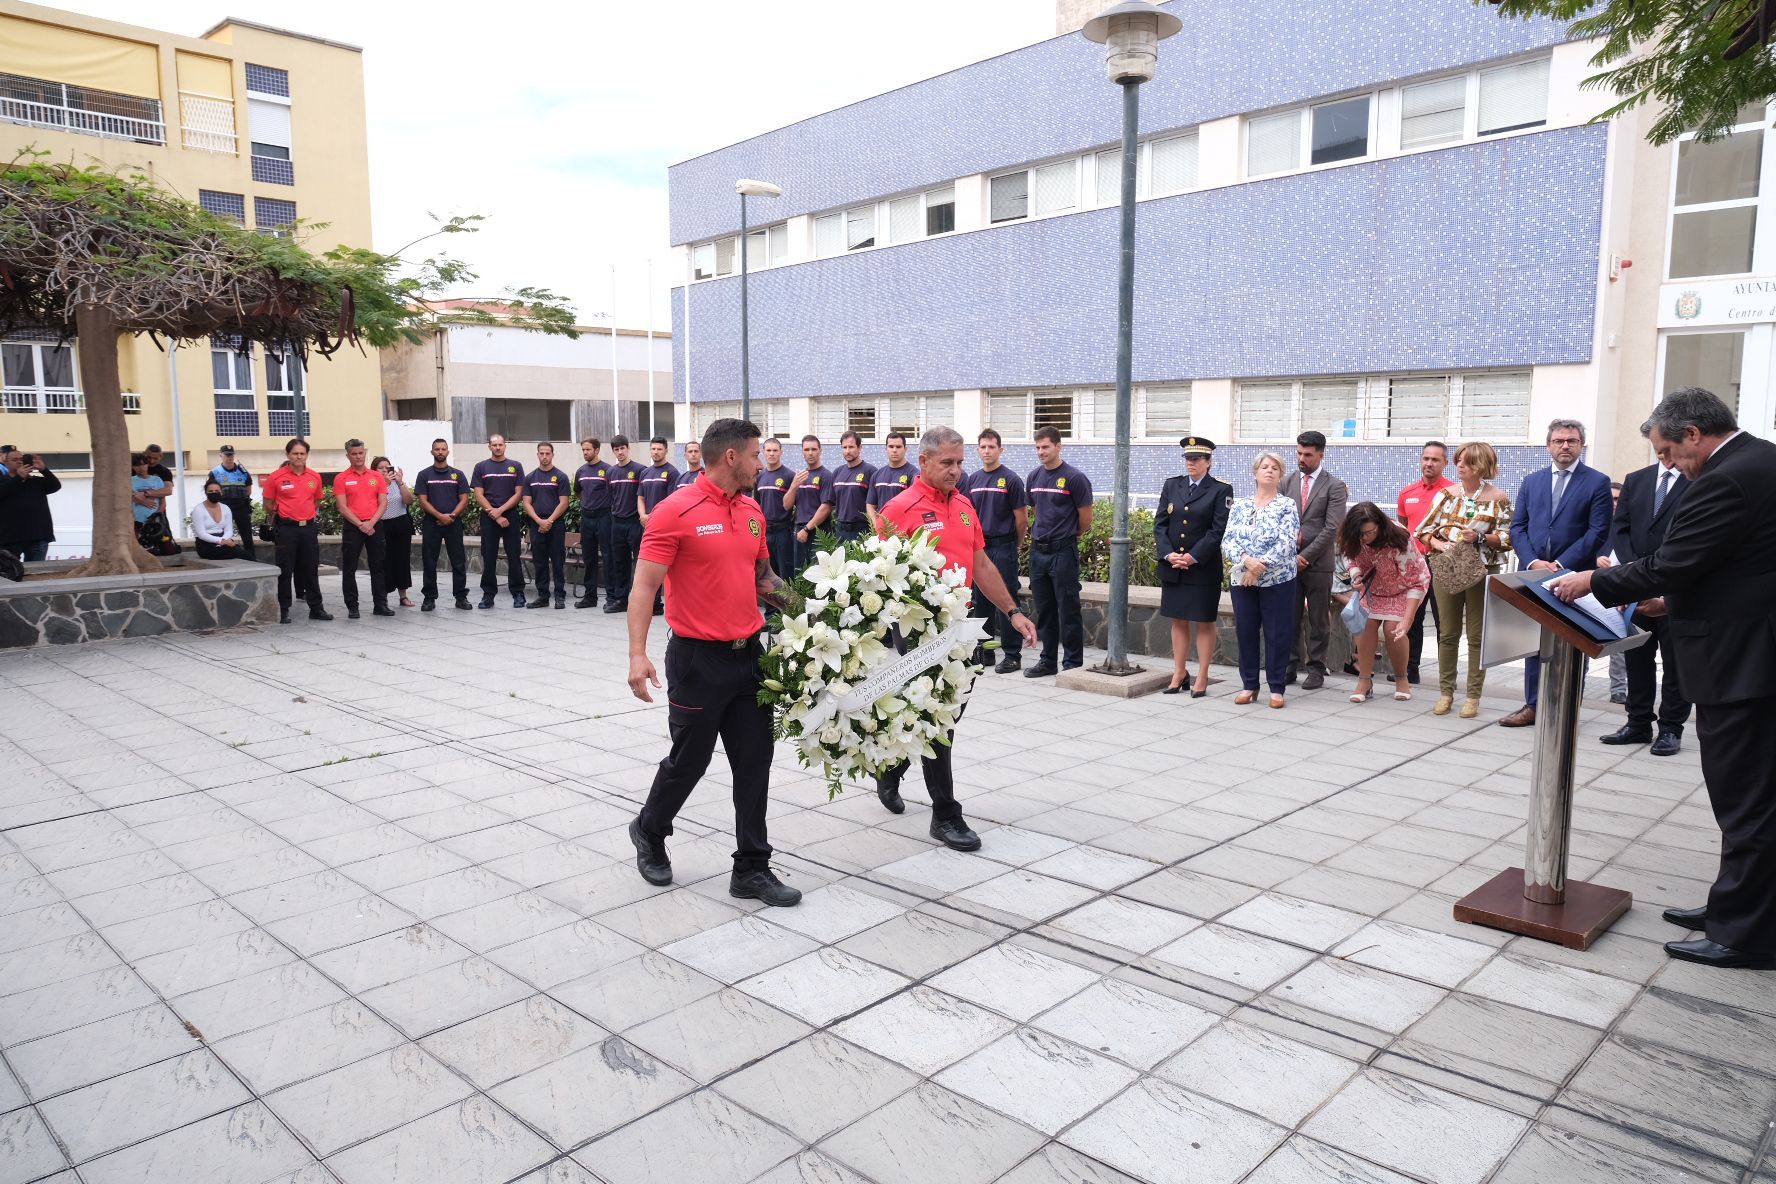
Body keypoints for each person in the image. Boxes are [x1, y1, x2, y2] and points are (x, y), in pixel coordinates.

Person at [1550, 388, 1776, 969]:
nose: (1669, 464)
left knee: (1746, 799)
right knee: (1751, 796)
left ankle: (1747, 934)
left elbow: (1675, 561)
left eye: (1669, 452)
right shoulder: (1762, 459)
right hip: (1747, 646)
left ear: (1694, 433)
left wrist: (1591, 582)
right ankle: (1738, 906)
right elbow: (1743, 566)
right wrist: (1672, 601)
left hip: (1741, 661)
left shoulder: (1727, 478)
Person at [625, 417, 802, 908]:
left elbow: (764, 579)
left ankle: (752, 868)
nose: (761, 463)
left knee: (755, 762)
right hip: (696, 661)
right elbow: (644, 587)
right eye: (755, 454)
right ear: (731, 457)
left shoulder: (752, 509)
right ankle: (649, 829)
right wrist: (637, 654)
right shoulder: (674, 511)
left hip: (749, 658)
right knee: (690, 761)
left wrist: (819, 615)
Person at [876, 427, 1039, 849]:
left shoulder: (965, 505)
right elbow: (879, 576)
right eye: (947, 463)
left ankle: (892, 767)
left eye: (960, 462)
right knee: (938, 717)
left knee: (949, 712)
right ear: (924, 461)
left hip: (962, 626)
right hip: (920, 629)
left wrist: (1013, 612)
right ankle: (945, 815)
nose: (956, 470)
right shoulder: (899, 509)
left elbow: (980, 564)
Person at [1502, 418, 1613, 728]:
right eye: (1559, 440)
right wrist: (1532, 561)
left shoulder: (1597, 482)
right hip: (1534, 573)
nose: (1565, 446)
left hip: (1574, 575)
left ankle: (1567, 707)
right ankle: (1533, 705)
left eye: (1572, 441)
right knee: (1535, 639)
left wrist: (1562, 564)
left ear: (1581, 445)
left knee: (1574, 639)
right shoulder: (1531, 481)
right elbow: (1518, 527)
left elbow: (1598, 530)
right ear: (1548, 445)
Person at [1600, 455, 1690, 755]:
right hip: (1637, 585)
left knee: (1675, 662)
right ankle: (1638, 722)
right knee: (1637, 657)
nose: (1664, 454)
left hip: (1675, 586)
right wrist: (1634, 570)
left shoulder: (1695, 477)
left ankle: (1671, 728)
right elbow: (1620, 528)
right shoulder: (1637, 479)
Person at [1416, 441, 1512, 718]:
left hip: (1482, 570)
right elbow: (1423, 530)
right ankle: (1446, 692)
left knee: (1477, 635)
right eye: (1458, 460)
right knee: (1447, 633)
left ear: (1481, 465)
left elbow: (1508, 538)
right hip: (1447, 566)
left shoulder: (1498, 498)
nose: (1460, 465)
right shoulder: (1446, 494)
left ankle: (1473, 695)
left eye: (1467, 461)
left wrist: (1480, 537)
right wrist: (1438, 544)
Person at [1154, 437, 1232, 696]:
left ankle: (1203, 675)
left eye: (1197, 459)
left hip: (1202, 567)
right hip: (1173, 565)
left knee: (1204, 621)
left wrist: (1193, 556)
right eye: (1188, 458)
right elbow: (1160, 523)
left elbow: (1217, 530)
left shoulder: (1221, 489)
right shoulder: (1172, 485)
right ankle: (1179, 672)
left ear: (1208, 462)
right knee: (1178, 619)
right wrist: (1168, 555)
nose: (1191, 463)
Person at [1223, 452, 1299, 709]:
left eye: (1275, 468)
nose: (1269, 470)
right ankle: (1249, 685)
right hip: (1243, 579)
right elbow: (1228, 540)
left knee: (1277, 633)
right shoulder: (1240, 506)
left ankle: (1276, 687)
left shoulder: (1286, 505)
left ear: (1280, 475)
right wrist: (1247, 561)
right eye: (1264, 466)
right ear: (1255, 473)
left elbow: (1287, 542)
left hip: (1277, 579)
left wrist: (1257, 568)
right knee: (1246, 631)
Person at [1339, 502, 1431, 704]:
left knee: (1393, 629)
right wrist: (1356, 575)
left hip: (1405, 587)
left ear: (1380, 525)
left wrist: (1407, 619)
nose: (1364, 538)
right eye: (1360, 534)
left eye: (1369, 532)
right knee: (1365, 625)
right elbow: (1348, 556)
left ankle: (1402, 679)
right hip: (1373, 587)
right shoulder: (1352, 535)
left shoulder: (1399, 537)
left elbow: (1416, 580)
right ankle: (1364, 680)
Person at [1280, 431, 1348, 690]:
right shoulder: (1286, 483)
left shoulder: (1334, 486)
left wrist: (1305, 557)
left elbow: (1332, 528)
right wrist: (1290, 556)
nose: (1301, 459)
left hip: (1318, 564)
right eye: (1299, 453)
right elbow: (1279, 521)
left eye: (1307, 454)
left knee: (1318, 619)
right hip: (1288, 562)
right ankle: (1289, 666)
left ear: (1321, 454)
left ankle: (1317, 669)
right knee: (1289, 616)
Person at [1024, 426, 1093, 677]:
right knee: (1045, 610)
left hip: (1063, 552)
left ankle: (1072, 663)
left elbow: (1085, 519)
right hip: (1038, 552)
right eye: (1037, 447)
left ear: (1058, 446)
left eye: (1045, 447)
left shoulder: (1075, 478)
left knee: (1068, 609)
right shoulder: (1034, 477)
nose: (1041, 452)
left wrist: (1071, 535)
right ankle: (1048, 661)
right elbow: (1036, 510)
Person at [961, 428, 1029, 673]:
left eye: (991, 447)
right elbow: (967, 514)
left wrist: (1015, 545)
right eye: (983, 447)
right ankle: (985, 652)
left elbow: (1022, 519)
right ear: (978, 450)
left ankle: (1012, 655)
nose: (987, 451)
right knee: (981, 602)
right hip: (980, 548)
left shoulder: (1011, 479)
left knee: (1006, 599)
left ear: (1000, 449)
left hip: (1003, 547)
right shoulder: (973, 480)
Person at [1396, 441, 1453, 684]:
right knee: (1412, 618)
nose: (1429, 463)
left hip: (1442, 562)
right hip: (1414, 565)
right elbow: (1403, 527)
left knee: (1444, 621)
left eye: (1435, 459)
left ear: (1445, 463)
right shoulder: (1407, 493)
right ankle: (1410, 670)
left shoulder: (1453, 492)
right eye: (1426, 458)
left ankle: (1446, 675)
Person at [264, 437, 332, 625]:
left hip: (308, 528)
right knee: (285, 570)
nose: (299, 457)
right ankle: (284, 609)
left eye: (302, 453)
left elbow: (316, 500)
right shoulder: (275, 477)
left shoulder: (314, 477)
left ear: (307, 455)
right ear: (288, 455)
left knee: (311, 569)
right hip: (286, 529)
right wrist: (285, 513)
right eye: (295, 453)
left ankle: (316, 608)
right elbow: (268, 504)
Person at [333, 438, 391, 619]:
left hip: (374, 526)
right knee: (349, 568)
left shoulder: (377, 477)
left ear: (365, 453)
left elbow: (383, 503)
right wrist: (360, 524)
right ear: (348, 456)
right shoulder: (341, 478)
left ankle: (380, 604)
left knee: (378, 566)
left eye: (361, 453)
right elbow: (342, 507)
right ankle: (352, 606)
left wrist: (370, 523)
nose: (358, 457)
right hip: (353, 527)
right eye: (354, 454)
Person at [416, 438, 473, 612]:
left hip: (453, 523)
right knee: (429, 561)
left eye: (443, 449)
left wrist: (452, 516)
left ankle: (461, 597)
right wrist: (440, 516)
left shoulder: (458, 474)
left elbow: (464, 499)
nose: (440, 452)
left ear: (448, 452)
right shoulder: (424, 475)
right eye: (437, 449)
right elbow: (423, 501)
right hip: (431, 523)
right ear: (432, 452)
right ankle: (429, 598)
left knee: (458, 561)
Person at [472, 434, 528, 609]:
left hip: (510, 516)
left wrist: (501, 511)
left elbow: (519, 493)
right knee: (489, 557)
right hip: (489, 516)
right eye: (494, 445)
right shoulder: (481, 467)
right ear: (489, 446)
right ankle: (488, 595)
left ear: (505, 445)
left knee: (514, 556)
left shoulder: (515, 466)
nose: (497, 447)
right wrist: (495, 514)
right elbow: (478, 495)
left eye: (500, 444)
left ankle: (518, 593)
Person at [523, 442, 572, 610]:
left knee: (558, 562)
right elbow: (527, 503)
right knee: (540, 562)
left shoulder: (560, 476)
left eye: (547, 453)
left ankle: (559, 596)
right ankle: (543, 597)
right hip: (537, 525)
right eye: (541, 453)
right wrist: (539, 521)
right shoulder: (530, 478)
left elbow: (564, 503)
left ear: (552, 455)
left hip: (555, 525)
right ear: (537, 454)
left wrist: (549, 521)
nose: (544, 456)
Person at [637, 437, 680, 617]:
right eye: (653, 449)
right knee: (648, 564)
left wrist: (653, 518)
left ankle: (662, 604)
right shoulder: (645, 473)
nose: (656, 452)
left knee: (662, 565)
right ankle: (652, 603)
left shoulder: (672, 473)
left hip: (663, 526)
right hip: (646, 524)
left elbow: (671, 501)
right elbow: (640, 497)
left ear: (666, 451)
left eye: (659, 449)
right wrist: (642, 515)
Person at [604, 435, 645, 613]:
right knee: (619, 562)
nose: (620, 452)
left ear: (628, 448)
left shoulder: (640, 470)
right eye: (616, 449)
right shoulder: (610, 472)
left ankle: (641, 599)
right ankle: (621, 600)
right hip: (617, 523)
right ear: (613, 451)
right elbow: (611, 496)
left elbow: (643, 496)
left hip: (635, 522)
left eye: (622, 448)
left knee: (640, 562)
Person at [784, 434, 833, 572]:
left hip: (818, 532)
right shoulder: (800, 476)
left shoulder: (826, 475)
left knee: (819, 573)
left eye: (814, 449)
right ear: (802, 452)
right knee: (800, 574)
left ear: (820, 451)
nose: (810, 453)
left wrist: (806, 529)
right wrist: (793, 486)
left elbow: (826, 508)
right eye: (806, 449)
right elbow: (787, 505)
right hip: (799, 531)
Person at [0, 450, 60, 561]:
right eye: (15, 460)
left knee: (36, 570)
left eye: (22, 459)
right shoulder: (3, 481)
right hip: (10, 538)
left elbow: (55, 486)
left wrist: (44, 470)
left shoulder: (36, 481)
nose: (19, 462)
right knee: (9, 569)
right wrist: (18, 478)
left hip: (38, 536)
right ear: (6, 463)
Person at [374, 456, 417, 608]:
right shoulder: (373, 484)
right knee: (384, 561)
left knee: (402, 560)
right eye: (380, 468)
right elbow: (376, 503)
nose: (384, 470)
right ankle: (383, 597)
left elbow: (409, 500)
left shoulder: (397, 483)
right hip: (382, 524)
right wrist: (385, 484)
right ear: (374, 470)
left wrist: (400, 482)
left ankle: (403, 596)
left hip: (401, 523)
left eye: (387, 467)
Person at [573, 437, 610, 609]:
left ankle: (612, 597)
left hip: (604, 517)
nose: (585, 453)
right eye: (583, 450)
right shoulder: (581, 471)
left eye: (588, 449)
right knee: (589, 558)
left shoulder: (607, 470)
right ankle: (590, 597)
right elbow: (578, 492)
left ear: (597, 450)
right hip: (587, 518)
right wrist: (588, 503)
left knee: (608, 557)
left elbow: (613, 492)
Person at [209, 445, 256, 562]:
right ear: (221, 455)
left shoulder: (243, 471)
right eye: (226, 455)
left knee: (247, 536)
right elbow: (210, 491)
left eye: (231, 455)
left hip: (241, 507)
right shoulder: (215, 472)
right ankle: (226, 558)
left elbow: (248, 490)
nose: (229, 457)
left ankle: (252, 559)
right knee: (224, 535)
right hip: (224, 508)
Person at [755, 438, 794, 577]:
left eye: (775, 450)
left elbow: (796, 504)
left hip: (783, 532)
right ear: (763, 452)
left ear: (781, 452)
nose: (772, 453)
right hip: (765, 533)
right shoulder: (759, 477)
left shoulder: (789, 476)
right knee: (767, 574)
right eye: (769, 450)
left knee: (786, 574)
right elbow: (757, 505)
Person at [829, 430, 876, 544]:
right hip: (840, 530)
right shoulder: (837, 472)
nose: (847, 451)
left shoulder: (871, 472)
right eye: (844, 447)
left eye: (851, 447)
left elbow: (876, 504)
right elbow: (831, 503)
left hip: (863, 530)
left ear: (860, 448)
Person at [866, 431, 917, 529]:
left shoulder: (913, 474)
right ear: (886, 449)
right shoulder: (877, 475)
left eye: (898, 447)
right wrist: (876, 525)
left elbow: (916, 506)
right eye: (891, 446)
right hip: (881, 529)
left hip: (903, 530)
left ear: (905, 449)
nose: (894, 450)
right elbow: (871, 505)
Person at [191, 478, 243, 560]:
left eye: (216, 491)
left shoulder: (226, 508)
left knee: (242, 553)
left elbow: (229, 530)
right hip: (205, 543)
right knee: (234, 552)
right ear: (206, 493)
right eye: (210, 491)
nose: (214, 493)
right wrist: (221, 541)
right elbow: (202, 534)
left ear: (221, 492)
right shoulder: (198, 509)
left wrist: (224, 540)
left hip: (224, 540)